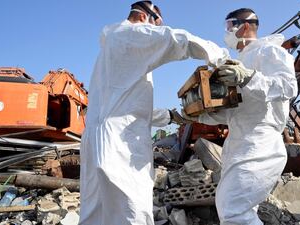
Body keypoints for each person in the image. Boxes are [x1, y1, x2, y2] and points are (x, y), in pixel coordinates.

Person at [78, 1, 229, 224]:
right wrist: (221, 56)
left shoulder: (113, 47)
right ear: (144, 17)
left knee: (96, 213)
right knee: (133, 210)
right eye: (157, 23)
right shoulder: (133, 33)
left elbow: (126, 104)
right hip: (121, 142)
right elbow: (178, 39)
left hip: (96, 138)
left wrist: (168, 116)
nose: (157, 29)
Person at [187, 8, 298, 225]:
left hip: (261, 143)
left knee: (233, 209)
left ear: (245, 26)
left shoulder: (270, 52)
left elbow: (288, 87)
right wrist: (199, 117)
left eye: (229, 26)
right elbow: (234, 113)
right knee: (233, 207)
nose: (226, 31)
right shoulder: (240, 60)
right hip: (239, 143)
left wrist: (248, 77)